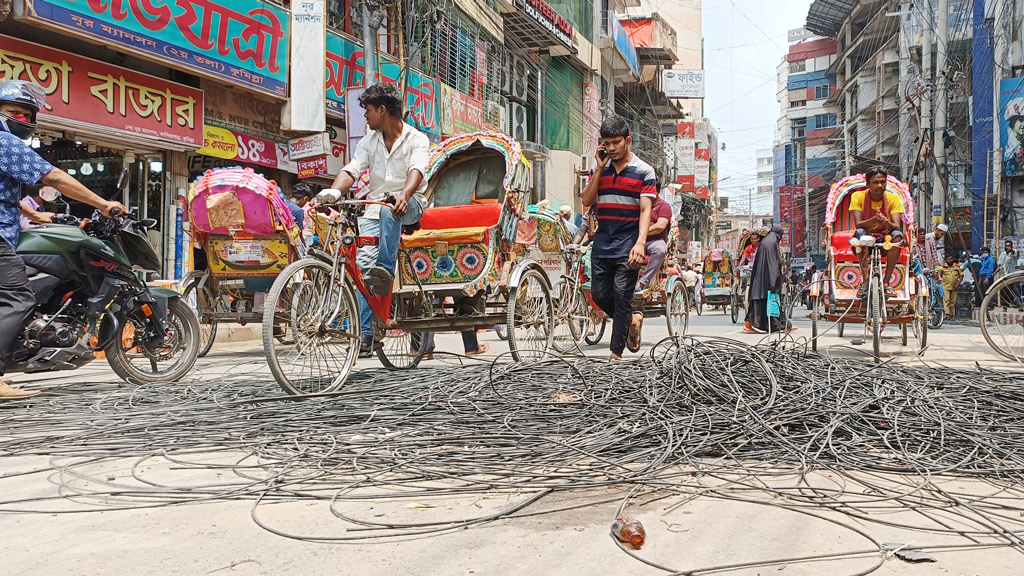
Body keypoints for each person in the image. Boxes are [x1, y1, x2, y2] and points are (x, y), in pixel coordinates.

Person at [0, 80, 126, 399]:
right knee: (18, 297)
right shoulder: (5, 142)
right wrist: (103, 204)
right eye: (14, 111)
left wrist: (39, 215)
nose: (22, 119)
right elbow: (53, 177)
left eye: (27, 114)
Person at [324, 83, 429, 357]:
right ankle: (366, 334)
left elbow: (417, 170)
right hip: (375, 207)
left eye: (368, 111)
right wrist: (334, 192)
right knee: (361, 267)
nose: (365, 117)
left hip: (411, 203)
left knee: (389, 207)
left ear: (382, 110)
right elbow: (352, 169)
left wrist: (404, 195)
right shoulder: (369, 142)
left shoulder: (417, 138)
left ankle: (385, 271)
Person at [581, 117, 657, 361]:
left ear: (628, 141)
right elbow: (586, 200)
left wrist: (640, 243)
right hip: (602, 243)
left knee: (622, 296)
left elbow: (646, 210)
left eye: (616, 143)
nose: (611, 148)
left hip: (629, 245)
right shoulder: (600, 169)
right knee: (601, 296)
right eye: (607, 143)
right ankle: (632, 320)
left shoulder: (645, 171)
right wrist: (600, 168)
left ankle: (616, 353)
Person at [848, 166, 905, 298]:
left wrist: (885, 222)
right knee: (860, 232)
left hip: (886, 241)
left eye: (883, 182)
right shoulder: (857, 196)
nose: (880, 185)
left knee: (898, 236)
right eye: (875, 182)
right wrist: (874, 220)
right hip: (864, 240)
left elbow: (896, 226)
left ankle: (886, 282)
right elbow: (858, 224)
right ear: (868, 184)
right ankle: (865, 281)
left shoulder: (894, 198)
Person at [745, 225, 792, 333]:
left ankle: (762, 325)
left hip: (760, 277)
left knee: (763, 298)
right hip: (769, 277)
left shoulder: (766, 241)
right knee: (771, 298)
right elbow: (773, 262)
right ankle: (774, 326)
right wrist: (776, 278)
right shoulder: (772, 242)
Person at [635, 195, 672, 292]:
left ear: (658, 191)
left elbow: (660, 226)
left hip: (654, 241)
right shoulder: (636, 203)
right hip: (634, 240)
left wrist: (642, 233)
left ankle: (643, 281)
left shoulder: (663, 206)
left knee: (660, 249)